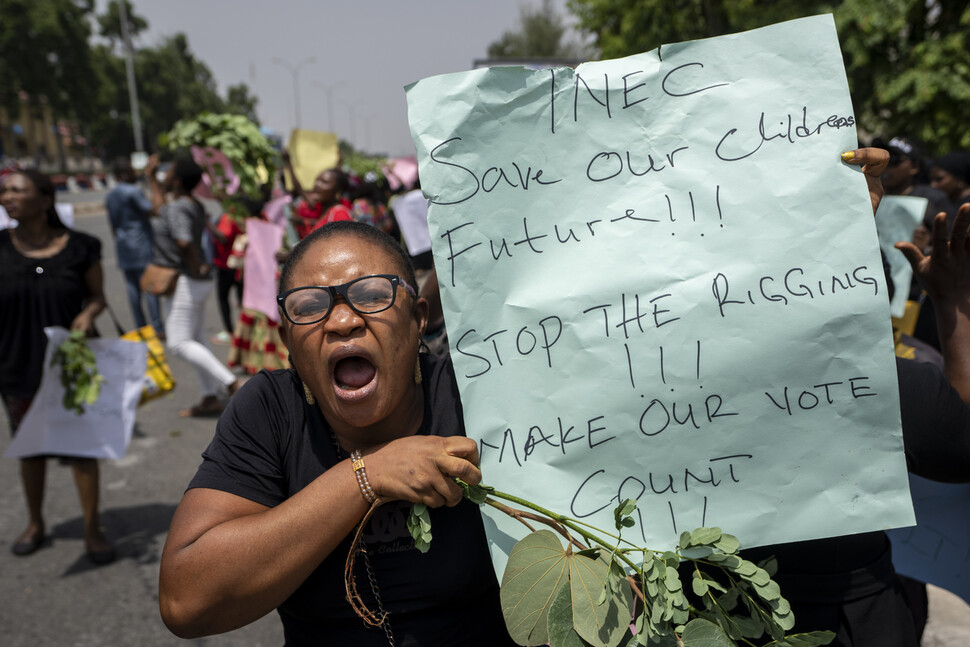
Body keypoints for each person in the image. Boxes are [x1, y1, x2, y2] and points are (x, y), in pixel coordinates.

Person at [159, 221, 515, 646]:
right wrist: (366, 476)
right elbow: (186, 601)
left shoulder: (474, 395)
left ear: (419, 319)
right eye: (309, 307)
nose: (342, 321)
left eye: (372, 295)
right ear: (286, 340)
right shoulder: (271, 410)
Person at [736, 150, 970, 646]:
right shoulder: (883, 387)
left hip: (688, 609)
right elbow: (960, 445)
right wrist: (954, 307)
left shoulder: (650, 383)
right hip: (852, 618)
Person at [0, 169, 115, 564]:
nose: (7, 195)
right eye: (4, 190)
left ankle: (92, 527)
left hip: (72, 366)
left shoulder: (82, 246)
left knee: (83, 449)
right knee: (29, 447)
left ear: (45, 200)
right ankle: (35, 522)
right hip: (16, 362)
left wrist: (88, 314)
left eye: (18, 189)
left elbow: (97, 295)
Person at [149, 156, 241, 417]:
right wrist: (152, 178)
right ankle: (210, 397)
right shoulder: (190, 203)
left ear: (177, 181)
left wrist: (193, 266)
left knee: (178, 343)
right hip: (194, 281)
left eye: (169, 170)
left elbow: (183, 241)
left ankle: (232, 383)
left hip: (185, 281)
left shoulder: (178, 207)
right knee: (197, 339)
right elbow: (159, 209)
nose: (164, 174)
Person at [105, 156, 165, 337]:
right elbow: (155, 210)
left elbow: (113, 224)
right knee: (148, 286)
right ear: (124, 174)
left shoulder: (111, 195)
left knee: (132, 288)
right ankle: (157, 327)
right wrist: (153, 182)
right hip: (141, 244)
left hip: (124, 245)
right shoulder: (132, 191)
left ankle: (141, 326)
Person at [281, 149, 352, 240]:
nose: (317, 185)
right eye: (317, 180)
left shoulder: (339, 214)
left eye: (324, 182)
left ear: (338, 192)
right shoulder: (324, 211)